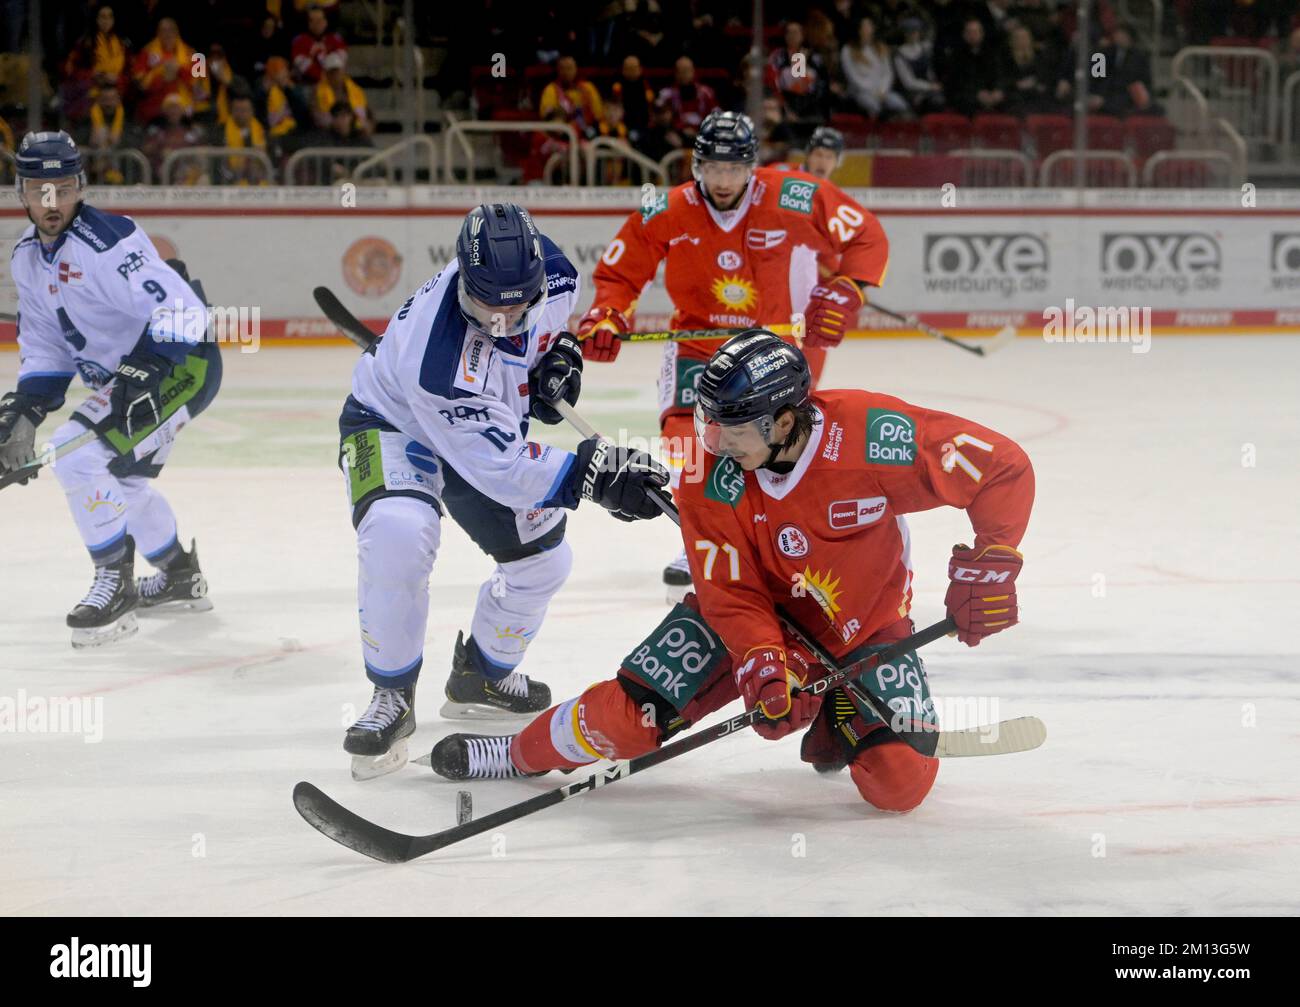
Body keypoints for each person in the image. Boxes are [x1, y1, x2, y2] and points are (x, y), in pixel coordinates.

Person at [427, 332, 1035, 815]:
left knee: (899, 785)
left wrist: (993, 564)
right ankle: (515, 752)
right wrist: (766, 664)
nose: (713, 442)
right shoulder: (708, 476)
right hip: (743, 619)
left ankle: (837, 712)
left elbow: (1001, 468)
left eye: (733, 428)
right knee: (629, 720)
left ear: (786, 422)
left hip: (865, 628)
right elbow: (731, 592)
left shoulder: (871, 436)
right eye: (708, 423)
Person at [335, 203, 669, 778]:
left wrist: (561, 354)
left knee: (543, 563)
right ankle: (390, 693)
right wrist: (597, 473)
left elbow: (550, 326)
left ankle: (482, 676)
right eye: (490, 304)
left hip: (485, 432)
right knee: (398, 532)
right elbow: (502, 470)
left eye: (521, 305)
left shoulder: (553, 271)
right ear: (464, 279)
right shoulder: (436, 359)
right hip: (393, 425)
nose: (506, 319)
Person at [575, 109, 889, 595]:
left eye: (734, 169)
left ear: (752, 168)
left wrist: (848, 288)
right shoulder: (666, 207)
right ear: (696, 166)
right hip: (696, 343)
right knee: (691, 442)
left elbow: (865, 233)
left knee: (774, 448)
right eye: (713, 169)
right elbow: (620, 272)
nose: (723, 181)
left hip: (766, 350)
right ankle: (699, 536)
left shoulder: (792, 194)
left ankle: (770, 540)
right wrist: (607, 314)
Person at [0, 132, 222, 648]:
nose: (51, 202)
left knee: (77, 459)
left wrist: (141, 372)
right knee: (119, 481)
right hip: (132, 378)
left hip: (179, 365)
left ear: (80, 185)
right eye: (39, 190)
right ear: (21, 194)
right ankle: (178, 576)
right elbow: (45, 343)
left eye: (62, 187)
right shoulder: (26, 258)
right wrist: (28, 408)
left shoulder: (110, 242)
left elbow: (183, 312)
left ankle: (114, 584)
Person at [841, 16, 909, 119]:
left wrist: (882, 90)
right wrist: (873, 92)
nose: (869, 29)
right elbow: (853, 77)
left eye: (870, 26)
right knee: (873, 106)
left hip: (882, 91)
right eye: (866, 27)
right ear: (858, 30)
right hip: (861, 92)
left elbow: (888, 73)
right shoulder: (848, 50)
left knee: (900, 104)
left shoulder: (880, 48)